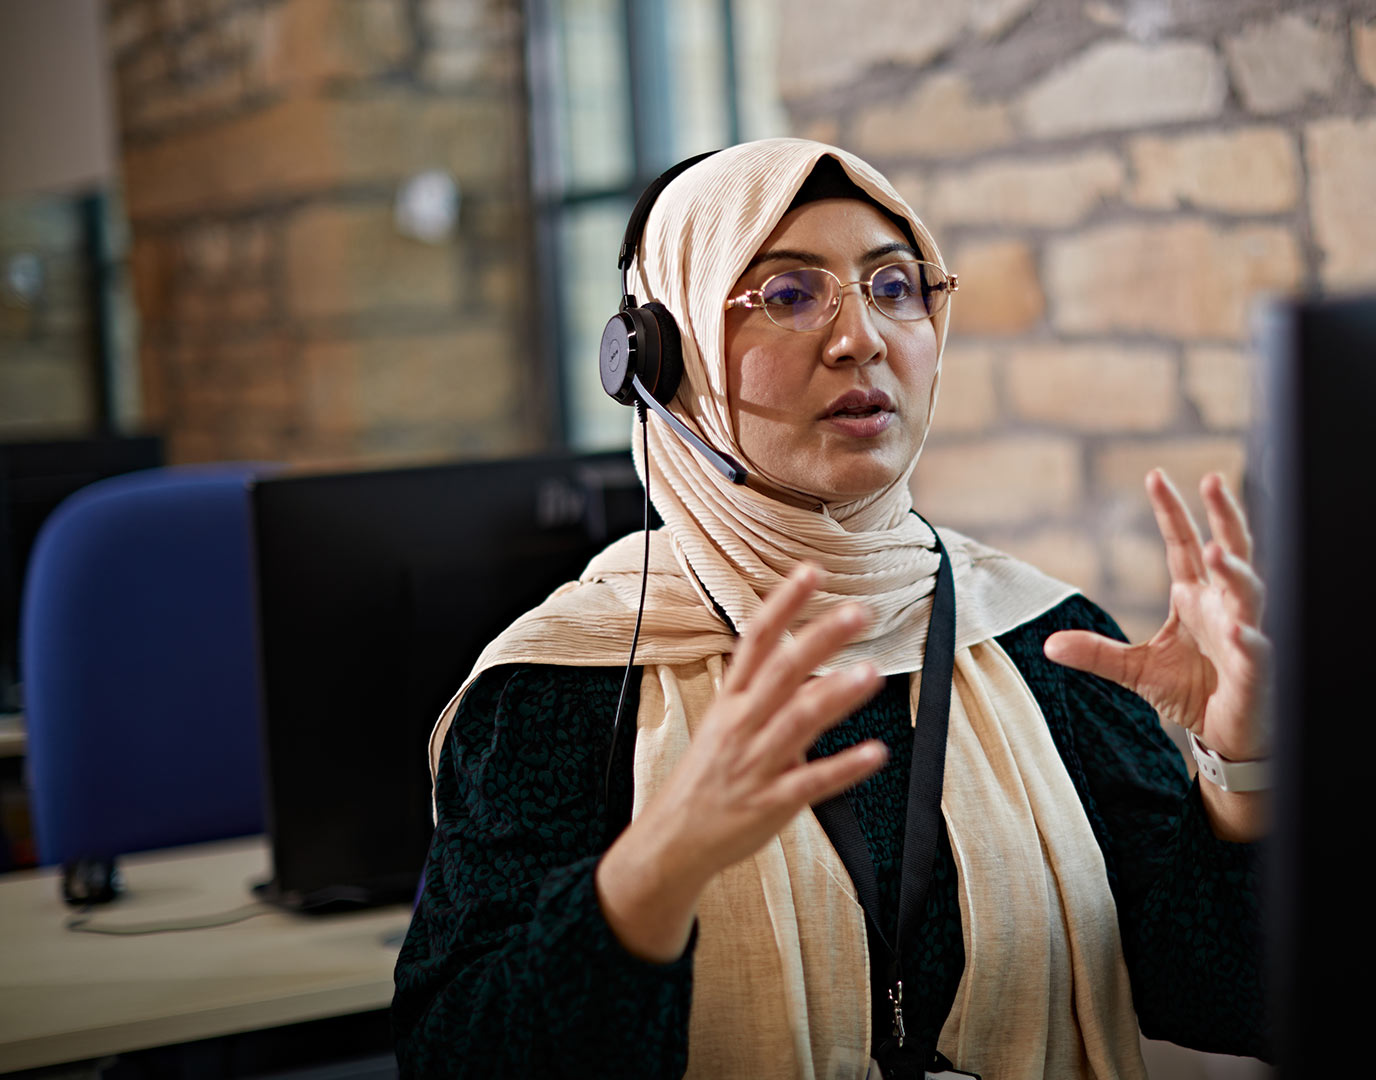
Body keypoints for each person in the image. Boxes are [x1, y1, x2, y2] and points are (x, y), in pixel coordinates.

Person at [393, 138, 1271, 1079]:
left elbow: (1228, 997)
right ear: (662, 353)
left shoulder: (1038, 637)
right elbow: (456, 1055)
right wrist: (660, 867)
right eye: (787, 294)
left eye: (895, 287)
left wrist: (1240, 768)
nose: (863, 337)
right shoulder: (569, 682)